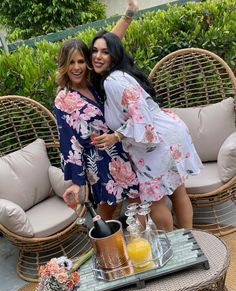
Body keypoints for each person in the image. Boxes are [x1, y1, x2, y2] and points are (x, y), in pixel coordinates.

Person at [90, 31, 203, 231]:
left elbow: (142, 115)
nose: (98, 56)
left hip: (157, 142)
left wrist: (116, 136)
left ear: (114, 56)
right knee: (178, 192)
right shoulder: (119, 75)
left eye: (105, 52)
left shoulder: (112, 81)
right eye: (95, 51)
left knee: (155, 201)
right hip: (167, 133)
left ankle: (176, 251)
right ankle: (191, 241)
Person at [54, 1, 140, 221]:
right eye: (71, 62)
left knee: (137, 202)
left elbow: (109, 43)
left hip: (120, 146)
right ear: (63, 65)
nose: (76, 67)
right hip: (97, 162)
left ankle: (146, 246)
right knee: (108, 211)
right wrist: (77, 181)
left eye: (81, 61)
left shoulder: (94, 80)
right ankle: (105, 250)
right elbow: (68, 142)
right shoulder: (63, 99)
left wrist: (128, 15)